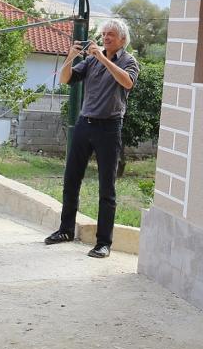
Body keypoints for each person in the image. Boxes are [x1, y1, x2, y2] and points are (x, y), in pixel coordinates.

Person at [44, 18, 139, 258]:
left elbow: (127, 82)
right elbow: (65, 79)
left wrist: (103, 58)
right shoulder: (90, 61)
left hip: (109, 127)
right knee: (71, 179)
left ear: (122, 40)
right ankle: (65, 230)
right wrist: (70, 56)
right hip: (84, 124)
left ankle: (104, 242)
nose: (106, 38)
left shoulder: (128, 61)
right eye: (104, 33)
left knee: (107, 187)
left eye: (111, 35)